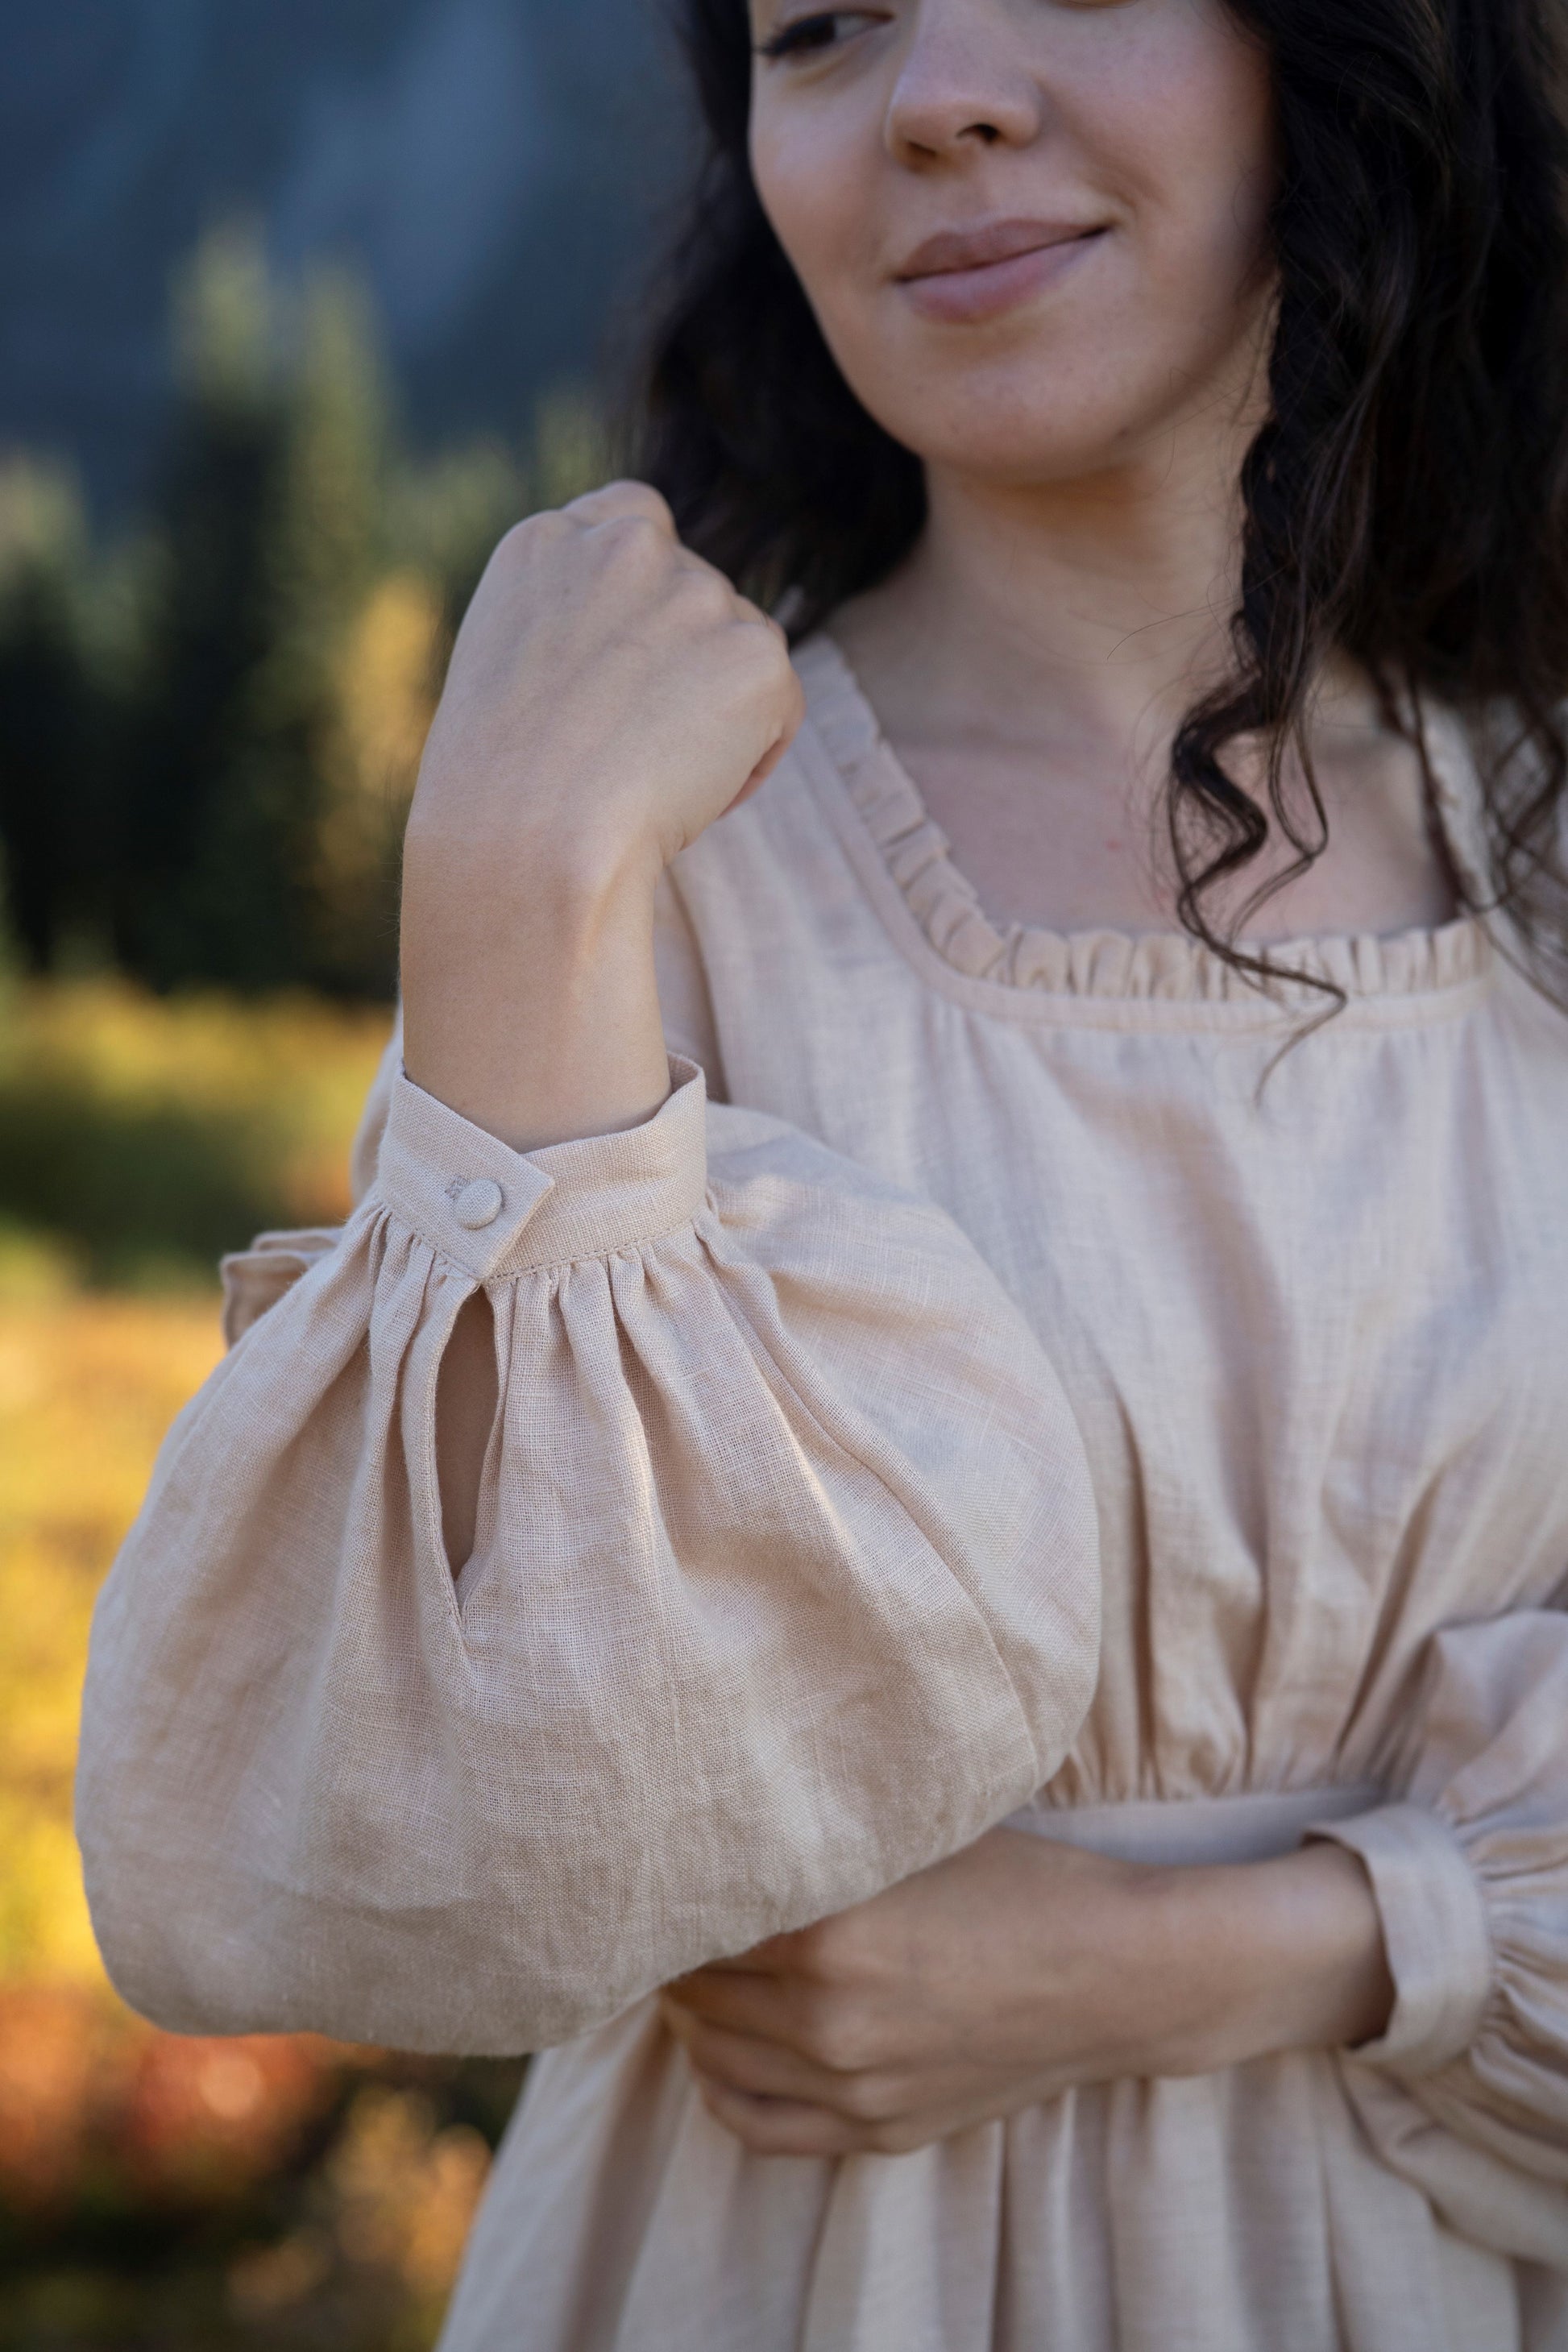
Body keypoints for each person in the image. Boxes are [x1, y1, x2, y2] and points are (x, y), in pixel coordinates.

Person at [77, 0, 1568, 2342]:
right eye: (821, 29)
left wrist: (1227, 1956)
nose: (936, 94)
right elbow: (424, 1861)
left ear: (1335, 59)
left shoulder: (1543, 854)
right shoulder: (662, 874)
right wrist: (507, 890)